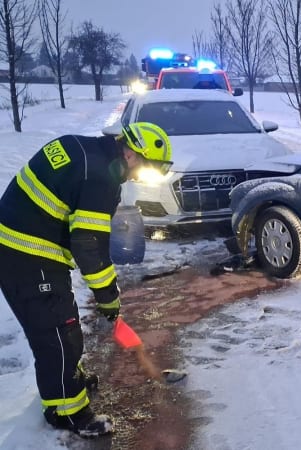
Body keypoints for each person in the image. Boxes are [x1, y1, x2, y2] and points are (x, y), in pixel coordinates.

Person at [0, 122, 173, 438]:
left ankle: (68, 379)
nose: (139, 177)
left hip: (24, 249)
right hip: (26, 256)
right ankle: (67, 412)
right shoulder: (100, 179)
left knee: (60, 326)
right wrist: (108, 296)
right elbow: (88, 244)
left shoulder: (83, 148)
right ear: (133, 154)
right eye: (147, 169)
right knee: (59, 335)